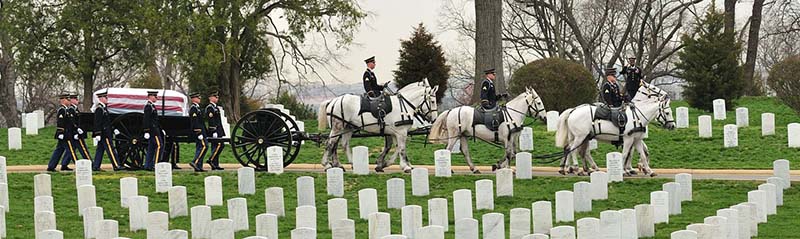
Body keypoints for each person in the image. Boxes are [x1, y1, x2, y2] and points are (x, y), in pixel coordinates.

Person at [92, 90, 127, 171]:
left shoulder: (104, 108)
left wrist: (113, 129)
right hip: (104, 133)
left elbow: (107, 122)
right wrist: (97, 133)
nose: (106, 99)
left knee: (100, 150)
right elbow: (97, 123)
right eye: (105, 97)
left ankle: (96, 166)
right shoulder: (99, 109)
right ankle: (116, 165)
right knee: (111, 150)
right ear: (101, 99)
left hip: (106, 132)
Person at [48, 94, 76, 172]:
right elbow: (60, 122)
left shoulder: (67, 110)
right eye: (68, 100)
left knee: (59, 150)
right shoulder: (62, 110)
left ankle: (52, 166)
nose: (69, 101)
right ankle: (79, 165)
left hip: (67, 133)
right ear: (63, 100)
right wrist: (61, 132)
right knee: (71, 150)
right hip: (64, 134)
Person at [66, 93, 91, 162]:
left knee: (72, 148)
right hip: (74, 132)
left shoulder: (75, 109)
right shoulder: (71, 109)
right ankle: (90, 162)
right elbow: (72, 122)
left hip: (76, 132)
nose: (77, 101)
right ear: (71, 100)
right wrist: (76, 131)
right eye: (75, 99)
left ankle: (64, 163)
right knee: (82, 148)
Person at [143, 90, 163, 171]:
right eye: (155, 96)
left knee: (151, 148)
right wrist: (146, 131)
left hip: (154, 130)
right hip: (153, 131)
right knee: (159, 146)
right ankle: (156, 164)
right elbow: (146, 119)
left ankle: (148, 165)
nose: (156, 98)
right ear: (150, 96)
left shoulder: (152, 106)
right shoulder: (148, 107)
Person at [205, 91, 224, 170]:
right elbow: (211, 120)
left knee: (216, 146)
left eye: (217, 97)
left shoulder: (215, 107)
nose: (217, 98)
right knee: (219, 145)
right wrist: (214, 131)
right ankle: (211, 160)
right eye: (215, 97)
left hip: (219, 130)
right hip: (214, 130)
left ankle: (215, 164)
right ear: (210, 98)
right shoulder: (210, 107)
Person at [188, 92, 208, 172]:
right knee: (204, 146)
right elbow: (194, 121)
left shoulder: (197, 108)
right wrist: (198, 132)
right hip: (198, 131)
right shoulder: (193, 108)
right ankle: (195, 162)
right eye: (198, 98)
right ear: (193, 99)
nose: (199, 99)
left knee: (200, 147)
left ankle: (199, 166)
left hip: (201, 130)